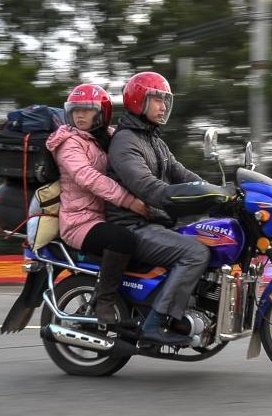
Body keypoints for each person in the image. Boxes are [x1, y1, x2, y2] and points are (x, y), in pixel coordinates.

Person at [105, 71, 215, 346]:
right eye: (157, 99)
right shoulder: (125, 141)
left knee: (208, 240)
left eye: (165, 100)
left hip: (153, 222)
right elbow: (148, 187)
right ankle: (154, 324)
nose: (163, 106)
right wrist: (185, 198)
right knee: (195, 253)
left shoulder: (154, 141)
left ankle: (186, 313)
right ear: (138, 101)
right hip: (132, 225)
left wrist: (217, 192)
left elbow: (182, 174)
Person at [45, 83, 148, 325]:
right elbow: (87, 177)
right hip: (80, 221)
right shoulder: (69, 142)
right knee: (122, 240)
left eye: (87, 109)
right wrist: (129, 201)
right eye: (75, 110)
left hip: (106, 215)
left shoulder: (108, 137)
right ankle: (105, 299)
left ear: (102, 113)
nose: (79, 115)